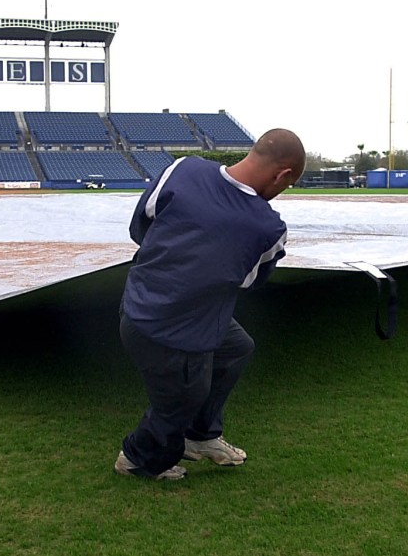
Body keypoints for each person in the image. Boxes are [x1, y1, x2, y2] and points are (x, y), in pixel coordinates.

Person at [115, 128, 306, 481]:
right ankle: (136, 459)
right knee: (179, 402)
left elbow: (141, 227)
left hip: (140, 305)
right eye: (287, 185)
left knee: (235, 349)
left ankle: (201, 436)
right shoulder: (266, 226)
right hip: (171, 331)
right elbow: (251, 281)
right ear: (282, 175)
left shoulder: (183, 169)